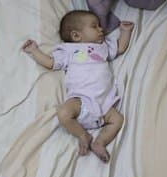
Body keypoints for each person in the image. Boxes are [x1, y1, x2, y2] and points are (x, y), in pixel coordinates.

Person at [22, 10, 134, 162]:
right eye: (94, 26)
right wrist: (34, 51)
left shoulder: (104, 46)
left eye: (100, 26)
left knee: (118, 119)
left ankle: (99, 142)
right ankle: (83, 135)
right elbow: (50, 62)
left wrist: (125, 32)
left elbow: (120, 48)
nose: (101, 29)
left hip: (104, 103)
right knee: (63, 114)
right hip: (81, 101)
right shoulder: (68, 50)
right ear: (76, 36)